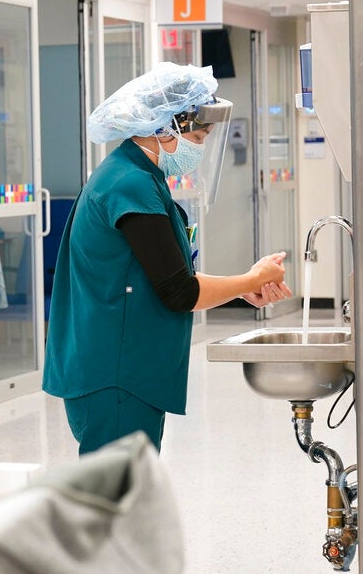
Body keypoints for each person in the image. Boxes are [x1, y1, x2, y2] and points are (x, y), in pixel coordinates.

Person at [43, 62, 293, 455]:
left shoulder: (135, 174)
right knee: (121, 490)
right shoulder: (130, 185)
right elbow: (179, 291)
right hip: (116, 375)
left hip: (119, 368)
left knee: (127, 487)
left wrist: (240, 289)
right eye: (196, 136)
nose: (200, 148)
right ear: (163, 128)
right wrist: (252, 278)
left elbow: (164, 275)